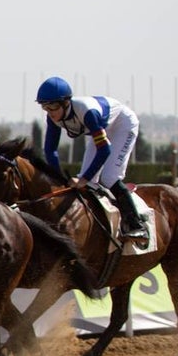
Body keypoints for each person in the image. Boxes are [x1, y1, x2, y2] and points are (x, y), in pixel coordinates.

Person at [36, 75, 147, 239]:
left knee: (109, 177)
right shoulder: (53, 118)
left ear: (66, 103)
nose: (50, 113)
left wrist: (84, 179)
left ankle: (136, 224)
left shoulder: (86, 112)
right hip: (102, 128)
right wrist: (59, 178)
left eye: (52, 107)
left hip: (123, 125)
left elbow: (105, 150)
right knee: (89, 181)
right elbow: (50, 150)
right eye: (45, 107)